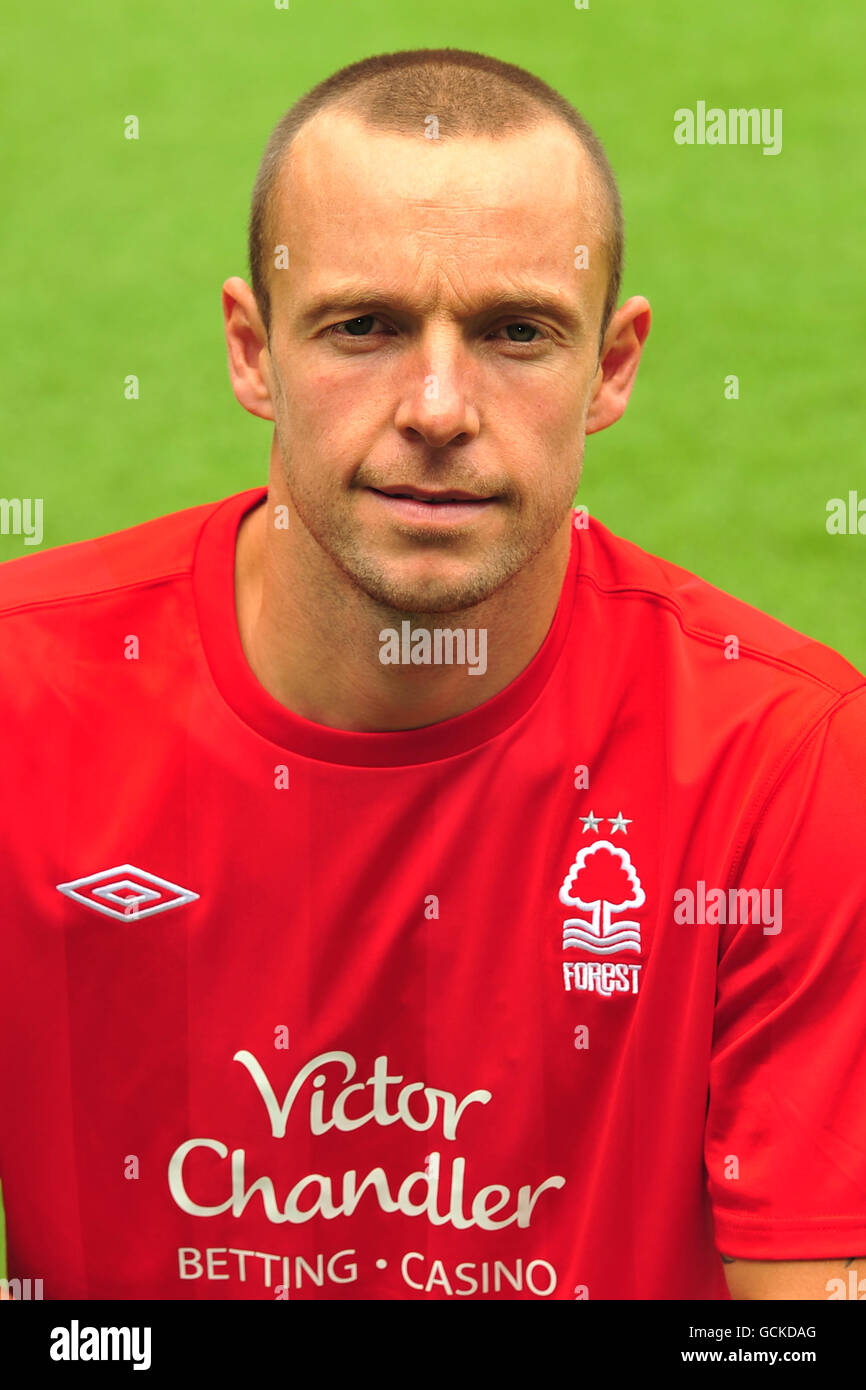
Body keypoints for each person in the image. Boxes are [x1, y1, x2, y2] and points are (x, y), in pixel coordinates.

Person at [0, 47, 864, 1302]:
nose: (440, 405)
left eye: (517, 332)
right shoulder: (26, 703)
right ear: (252, 351)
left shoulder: (785, 761)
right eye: (366, 327)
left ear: (612, 368)